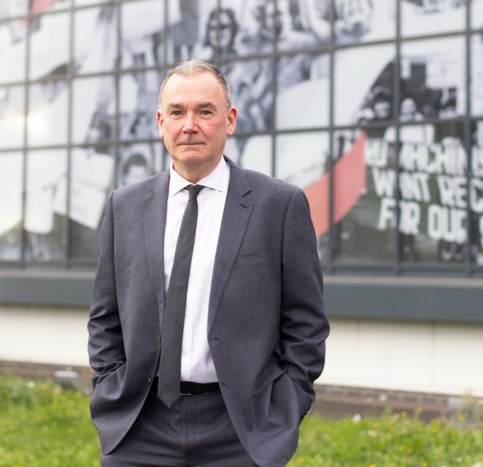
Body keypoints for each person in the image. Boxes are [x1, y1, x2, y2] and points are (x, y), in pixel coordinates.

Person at [87, 59, 329, 466]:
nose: (190, 125)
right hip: (139, 427)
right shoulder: (124, 206)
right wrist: (109, 384)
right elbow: (105, 316)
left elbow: (306, 322)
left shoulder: (278, 205)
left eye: (205, 111)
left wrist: (286, 403)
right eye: (177, 112)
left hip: (241, 429)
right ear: (160, 122)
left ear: (229, 120)